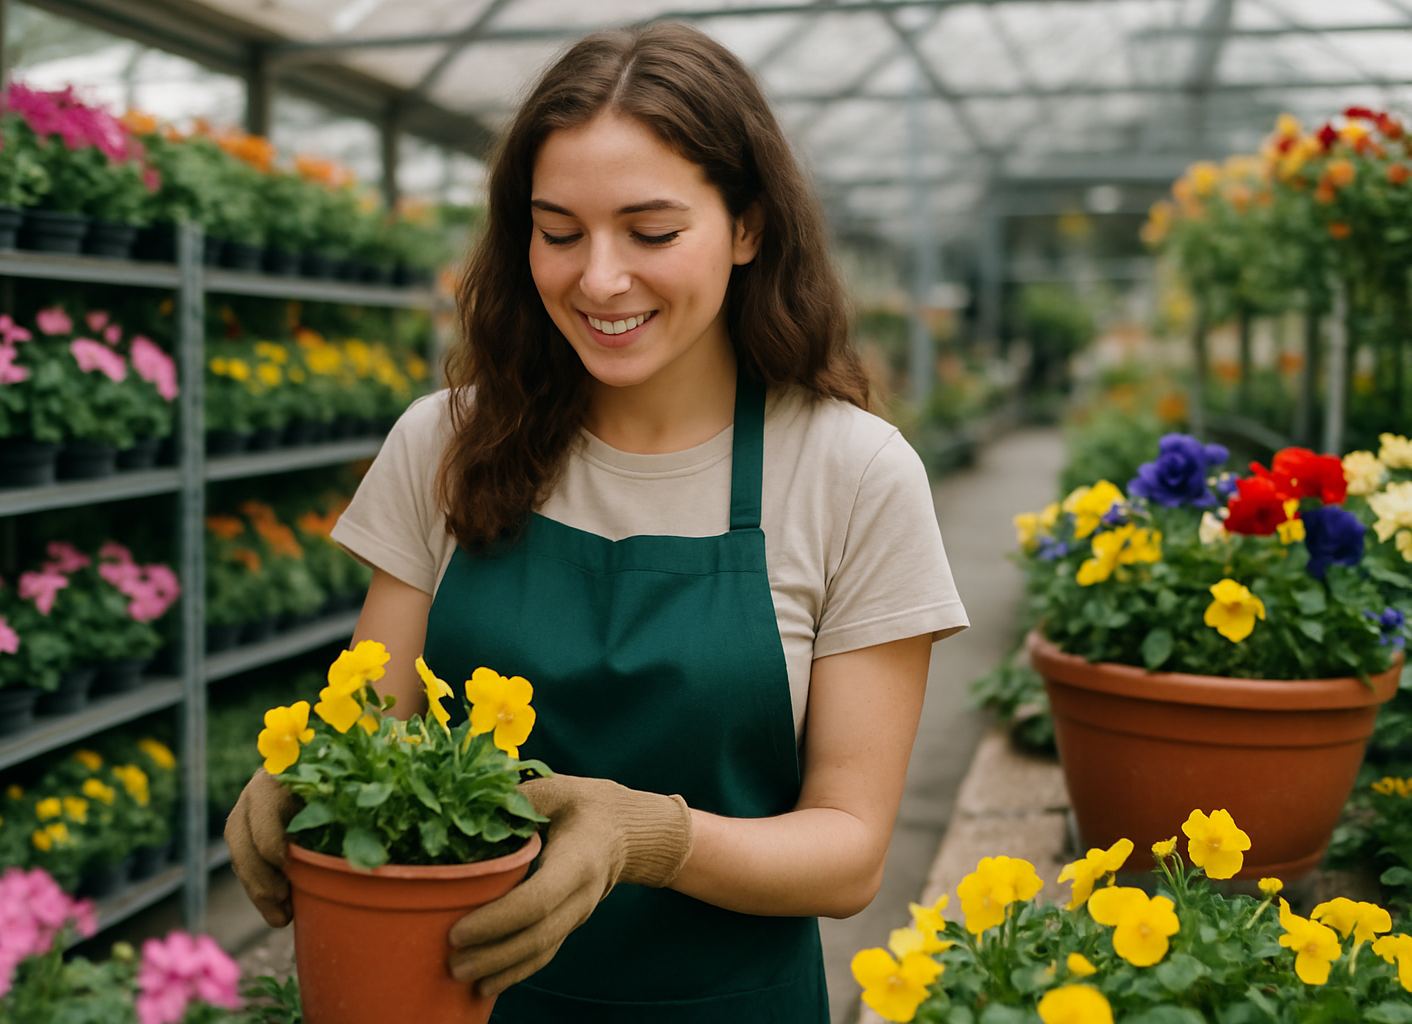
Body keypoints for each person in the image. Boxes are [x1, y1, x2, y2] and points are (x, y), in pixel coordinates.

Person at [226, 22, 967, 1023]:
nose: (599, 279)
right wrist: (301, 775)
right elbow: (375, 719)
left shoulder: (852, 472)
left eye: (651, 232)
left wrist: (646, 837)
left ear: (749, 227)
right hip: (452, 996)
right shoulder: (446, 442)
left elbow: (847, 852)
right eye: (559, 231)